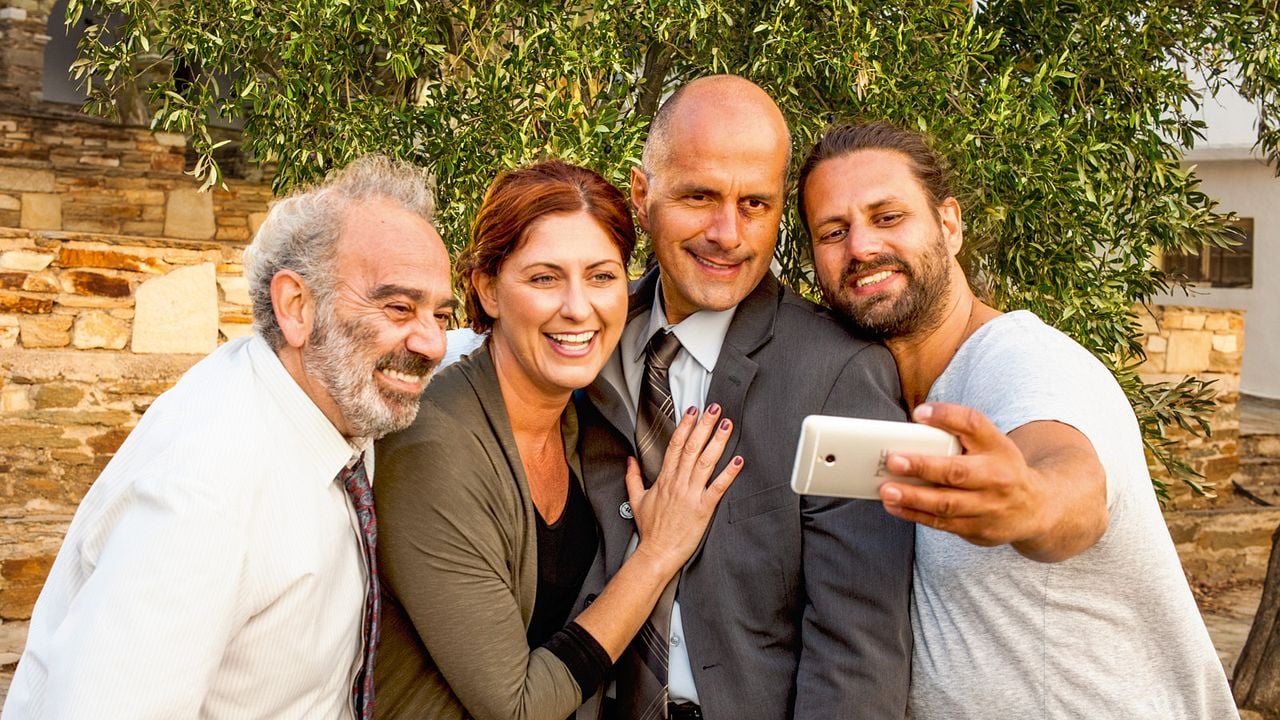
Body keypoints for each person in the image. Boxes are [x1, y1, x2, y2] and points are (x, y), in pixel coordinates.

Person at [798, 120, 1239, 719]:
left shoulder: (1023, 361)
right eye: (833, 231)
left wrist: (1030, 502)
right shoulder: (878, 396)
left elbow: (1073, 484)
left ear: (949, 225)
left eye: (887, 217)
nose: (861, 248)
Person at [4, 155, 457, 719]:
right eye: (398, 306)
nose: (433, 343)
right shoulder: (205, 488)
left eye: (441, 314)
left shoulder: (325, 392)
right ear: (296, 307)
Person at [572, 76, 914, 720]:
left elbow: (858, 651)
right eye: (700, 196)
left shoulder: (843, 376)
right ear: (643, 195)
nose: (727, 233)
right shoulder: (585, 341)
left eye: (756, 204)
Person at [373, 160, 743, 720]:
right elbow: (516, 707)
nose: (578, 307)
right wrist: (658, 554)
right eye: (545, 278)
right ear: (488, 289)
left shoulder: (576, 416)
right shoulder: (435, 448)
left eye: (602, 276)